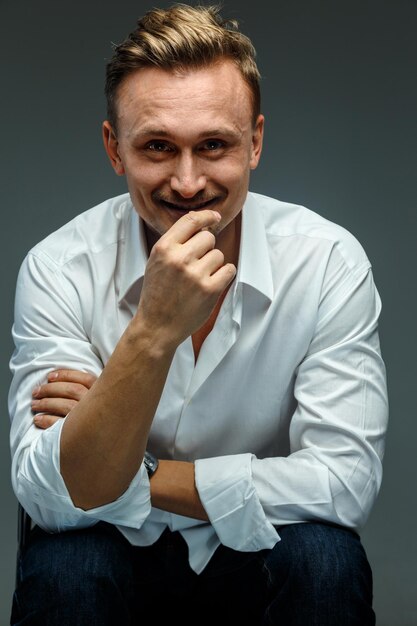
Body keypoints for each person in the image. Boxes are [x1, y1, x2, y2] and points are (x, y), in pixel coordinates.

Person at [8, 4, 388, 625]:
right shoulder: (58, 266)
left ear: (256, 143)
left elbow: (342, 486)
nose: (187, 183)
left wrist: (127, 466)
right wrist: (154, 330)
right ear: (114, 149)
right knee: (66, 565)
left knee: (326, 558)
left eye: (214, 145)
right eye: (157, 147)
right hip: (110, 555)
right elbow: (50, 500)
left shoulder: (328, 261)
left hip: (259, 556)